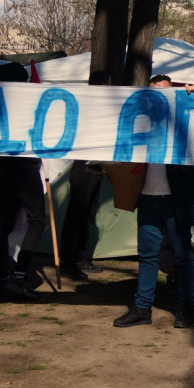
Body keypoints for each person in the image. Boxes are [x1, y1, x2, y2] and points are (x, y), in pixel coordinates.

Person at [113, 76, 194, 329]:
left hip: (177, 201)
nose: (157, 98)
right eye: (153, 94)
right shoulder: (140, 123)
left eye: (164, 93)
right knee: (147, 255)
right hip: (149, 200)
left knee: (184, 256)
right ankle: (142, 307)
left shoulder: (183, 121)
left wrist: (193, 95)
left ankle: (187, 306)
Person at [0, 62, 45, 301]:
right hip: (25, 166)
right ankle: (19, 273)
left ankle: (1, 271)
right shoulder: (28, 102)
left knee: (5, 221)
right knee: (36, 220)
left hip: (4, 167)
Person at [60, 70, 112, 281]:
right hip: (83, 166)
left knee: (89, 216)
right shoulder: (84, 109)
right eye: (106, 87)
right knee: (76, 215)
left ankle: (80, 257)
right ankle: (68, 262)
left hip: (98, 167)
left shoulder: (105, 110)